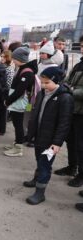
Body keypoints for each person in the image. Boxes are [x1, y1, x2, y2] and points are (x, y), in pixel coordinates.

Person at [23, 67, 73, 205]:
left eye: (47, 83)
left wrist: (57, 143)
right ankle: (36, 179)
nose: (43, 86)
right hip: (39, 136)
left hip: (51, 140)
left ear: (56, 81)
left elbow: (64, 123)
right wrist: (30, 133)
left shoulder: (65, 98)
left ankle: (40, 192)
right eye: (42, 82)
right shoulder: (41, 94)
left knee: (45, 164)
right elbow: (35, 113)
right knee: (39, 160)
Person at [54, 35, 83, 188]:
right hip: (72, 109)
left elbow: (76, 89)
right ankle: (72, 167)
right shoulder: (79, 64)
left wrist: (72, 91)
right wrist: (65, 87)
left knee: (80, 144)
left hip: (81, 112)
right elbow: (67, 80)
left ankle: (80, 175)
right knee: (70, 140)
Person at [4, 47, 37, 157]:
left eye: (14, 58)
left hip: (21, 103)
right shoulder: (22, 69)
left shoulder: (26, 73)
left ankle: (18, 147)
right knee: (18, 123)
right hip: (22, 102)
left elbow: (19, 91)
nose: (12, 60)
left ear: (20, 59)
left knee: (19, 124)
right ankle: (17, 143)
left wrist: (8, 101)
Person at [0, 50, 14, 135]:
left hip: (5, 92)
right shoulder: (1, 67)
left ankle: (2, 129)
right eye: (1, 56)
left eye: (4, 56)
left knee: (4, 111)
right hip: (0, 91)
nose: (2, 58)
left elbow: (9, 83)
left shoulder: (9, 69)